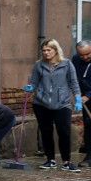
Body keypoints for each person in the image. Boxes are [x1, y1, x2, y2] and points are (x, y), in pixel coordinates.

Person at [25, 39, 79, 169]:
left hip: (62, 103)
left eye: (49, 50)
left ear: (55, 50)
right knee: (46, 132)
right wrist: (30, 87)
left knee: (64, 132)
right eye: (44, 50)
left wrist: (77, 99)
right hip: (42, 104)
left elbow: (74, 83)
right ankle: (50, 160)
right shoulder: (39, 65)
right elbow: (34, 82)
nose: (46, 53)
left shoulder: (67, 64)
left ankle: (66, 161)